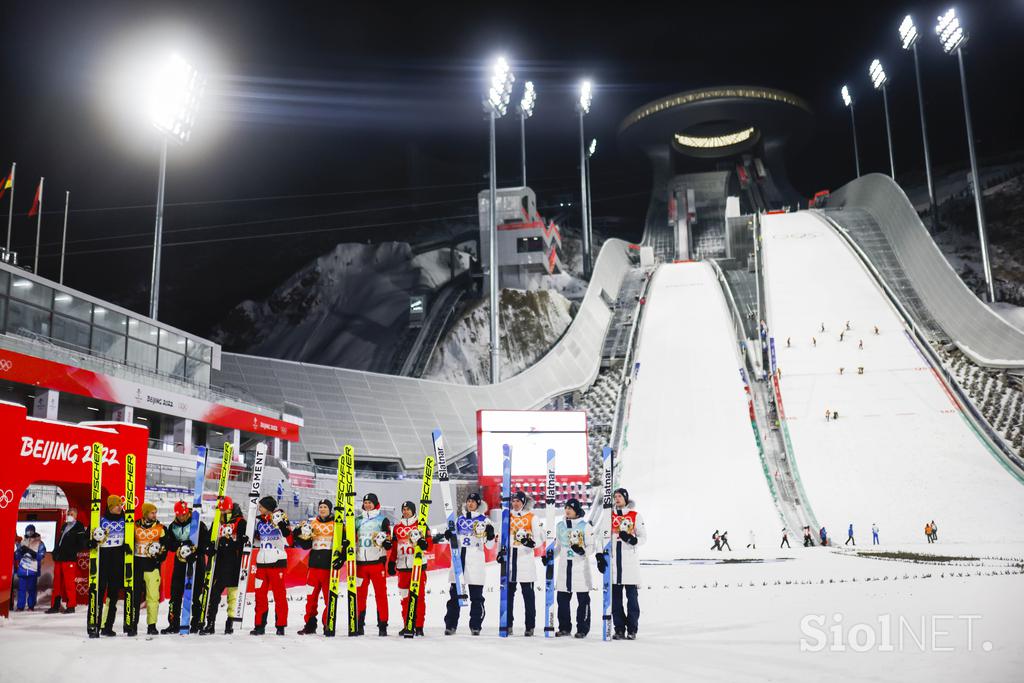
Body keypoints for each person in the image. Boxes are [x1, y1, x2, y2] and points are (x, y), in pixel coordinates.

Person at [436, 491, 494, 636]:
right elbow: (453, 542)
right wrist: (449, 536)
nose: (470, 503)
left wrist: (491, 535)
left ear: (478, 504)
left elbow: (490, 546)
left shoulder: (485, 521)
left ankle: (475, 626)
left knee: (476, 597)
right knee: (454, 597)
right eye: (468, 501)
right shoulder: (459, 519)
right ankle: (451, 625)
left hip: (475, 561)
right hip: (459, 561)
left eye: (473, 501)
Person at [549, 498, 595, 638]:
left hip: (580, 568)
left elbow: (591, 546)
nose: (567, 510)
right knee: (562, 600)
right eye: (566, 507)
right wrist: (550, 556)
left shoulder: (585, 526)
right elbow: (558, 547)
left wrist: (582, 551)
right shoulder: (560, 526)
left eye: (571, 508)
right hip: (564, 569)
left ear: (577, 511)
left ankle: (582, 628)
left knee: (583, 601)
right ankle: (564, 627)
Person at [163, 499, 210, 633]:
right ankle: (173, 623)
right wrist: (181, 546)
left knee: (196, 594)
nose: (182, 517)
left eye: (184, 514)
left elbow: (205, 543)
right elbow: (169, 545)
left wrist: (195, 550)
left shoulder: (198, 524)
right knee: (175, 594)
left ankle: (196, 623)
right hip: (180, 563)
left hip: (196, 562)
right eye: (179, 515)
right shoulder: (173, 526)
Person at [202, 498, 246, 635]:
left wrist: (230, 543)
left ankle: (230, 623)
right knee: (214, 594)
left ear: (230, 508)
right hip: (219, 563)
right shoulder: (217, 522)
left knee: (232, 595)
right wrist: (209, 548)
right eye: (220, 510)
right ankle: (210, 623)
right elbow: (210, 538)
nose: (221, 512)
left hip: (233, 563)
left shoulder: (240, 522)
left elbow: (242, 542)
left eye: (223, 509)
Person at [606, 488, 645, 640]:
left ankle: (632, 629)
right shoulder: (609, 516)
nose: (617, 499)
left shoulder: (635, 515)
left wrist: (633, 539)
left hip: (629, 563)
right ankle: (619, 628)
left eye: (620, 496)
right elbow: (602, 537)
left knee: (632, 599)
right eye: (615, 496)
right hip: (614, 563)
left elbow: (643, 537)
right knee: (616, 601)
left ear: (626, 499)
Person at [249, 496, 290, 635]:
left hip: (277, 561)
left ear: (268, 507)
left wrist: (281, 523)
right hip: (262, 561)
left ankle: (280, 625)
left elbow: (287, 535)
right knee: (260, 595)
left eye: (261, 506)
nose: (259, 508)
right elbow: (256, 540)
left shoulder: (280, 516)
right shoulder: (258, 521)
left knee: (279, 594)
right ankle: (259, 625)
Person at [293, 499, 334, 635]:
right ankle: (310, 625)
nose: (322, 509)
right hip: (314, 567)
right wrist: (298, 535)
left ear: (330, 509)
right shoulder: (312, 523)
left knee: (329, 599)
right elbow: (305, 545)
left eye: (325, 507)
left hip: (328, 568)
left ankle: (328, 624)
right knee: (311, 598)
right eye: (320, 507)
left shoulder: (337, 524)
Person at [390, 500, 431, 637]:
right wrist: (391, 562)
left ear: (413, 511)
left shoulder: (421, 525)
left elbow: (429, 545)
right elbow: (395, 548)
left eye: (408, 509)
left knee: (419, 598)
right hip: (402, 567)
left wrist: (424, 543)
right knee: (405, 598)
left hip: (417, 566)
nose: (406, 511)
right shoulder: (397, 528)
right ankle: (408, 624)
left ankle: (419, 626)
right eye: (404, 509)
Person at [90, 495, 129, 636]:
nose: (120, 507)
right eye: (117, 505)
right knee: (99, 593)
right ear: (110, 506)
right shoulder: (100, 520)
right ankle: (95, 624)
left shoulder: (126, 520)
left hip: (117, 563)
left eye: (121, 505)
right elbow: (89, 535)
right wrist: (91, 542)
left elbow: (132, 537)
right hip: (103, 562)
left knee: (113, 596)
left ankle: (108, 626)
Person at [355, 492, 392, 636]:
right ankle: (359, 624)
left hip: (377, 563)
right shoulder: (357, 520)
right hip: (361, 564)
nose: (367, 505)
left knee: (381, 595)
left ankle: (382, 625)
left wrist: (387, 542)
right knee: (360, 595)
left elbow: (388, 538)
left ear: (375, 504)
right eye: (365, 502)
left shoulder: (383, 520)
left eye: (370, 502)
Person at [506, 491, 541, 636]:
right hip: (510, 562)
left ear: (523, 502)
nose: (515, 504)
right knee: (508, 596)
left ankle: (530, 626)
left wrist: (530, 543)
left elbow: (539, 539)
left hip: (525, 560)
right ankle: (507, 624)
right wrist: (500, 552)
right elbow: (503, 536)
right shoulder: (507, 516)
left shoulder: (532, 517)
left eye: (518, 501)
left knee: (528, 595)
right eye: (513, 501)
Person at [131, 502, 167, 635]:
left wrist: (159, 557)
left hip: (152, 567)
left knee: (153, 598)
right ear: (145, 513)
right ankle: (132, 624)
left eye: (155, 512)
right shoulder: (134, 525)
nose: (154, 515)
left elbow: (165, 546)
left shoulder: (160, 528)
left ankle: (152, 625)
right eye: (152, 512)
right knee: (134, 597)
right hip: (137, 567)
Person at [47, 508, 87, 614]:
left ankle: (71, 606)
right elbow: (60, 540)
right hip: (59, 558)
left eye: (71, 514)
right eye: (68, 513)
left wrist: (72, 551)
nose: (69, 515)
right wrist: (55, 552)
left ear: (76, 515)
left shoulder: (79, 526)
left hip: (69, 559)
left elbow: (81, 543)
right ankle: (55, 606)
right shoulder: (64, 525)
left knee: (69, 583)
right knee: (57, 584)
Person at [15, 524, 46, 611]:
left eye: (31, 530)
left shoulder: (39, 542)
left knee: (32, 589)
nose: (29, 532)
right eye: (28, 530)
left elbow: (41, 555)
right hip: (22, 569)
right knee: (21, 590)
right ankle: (20, 606)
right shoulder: (22, 541)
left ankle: (31, 606)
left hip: (33, 569)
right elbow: (17, 556)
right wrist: (19, 552)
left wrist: (33, 554)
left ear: (34, 531)